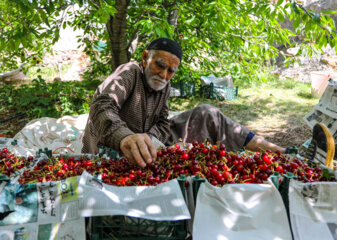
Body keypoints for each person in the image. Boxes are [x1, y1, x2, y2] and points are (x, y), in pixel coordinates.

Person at [82, 37, 286, 168]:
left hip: (148, 147)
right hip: (115, 145)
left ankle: (282, 153)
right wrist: (125, 137)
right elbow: (102, 106)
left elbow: (163, 123)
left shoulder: (164, 84)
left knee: (208, 113)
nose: (163, 74)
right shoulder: (129, 72)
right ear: (145, 58)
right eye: (159, 66)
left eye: (171, 71)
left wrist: (150, 140)